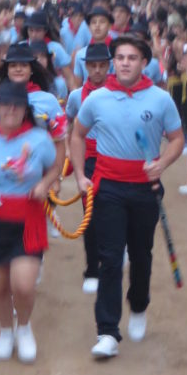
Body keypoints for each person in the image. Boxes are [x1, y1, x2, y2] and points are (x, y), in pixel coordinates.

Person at [70, 34, 184, 358]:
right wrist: (80, 175)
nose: (124, 63)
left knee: (141, 255)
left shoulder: (160, 100)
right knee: (110, 258)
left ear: (143, 62)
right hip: (108, 188)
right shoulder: (97, 99)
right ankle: (107, 330)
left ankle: (139, 304)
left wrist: (161, 163)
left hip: (145, 188)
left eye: (131, 58)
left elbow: (177, 139)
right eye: (119, 57)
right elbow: (77, 135)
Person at [0, 80, 60, 363]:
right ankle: (6, 331)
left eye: (17, 106)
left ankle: (25, 327)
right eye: (6, 105)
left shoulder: (40, 139)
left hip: (28, 218)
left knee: (24, 285)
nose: (11, 110)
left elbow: (54, 168)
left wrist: (45, 185)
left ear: (25, 110)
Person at [66, 42, 111, 294]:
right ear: (85, 67)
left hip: (114, 158)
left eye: (101, 66)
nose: (96, 71)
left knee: (113, 211)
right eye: (92, 66)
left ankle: (113, 254)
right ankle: (92, 268)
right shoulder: (76, 97)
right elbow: (70, 128)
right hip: (89, 160)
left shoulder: (118, 93)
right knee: (90, 215)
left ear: (108, 66)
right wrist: (73, 163)